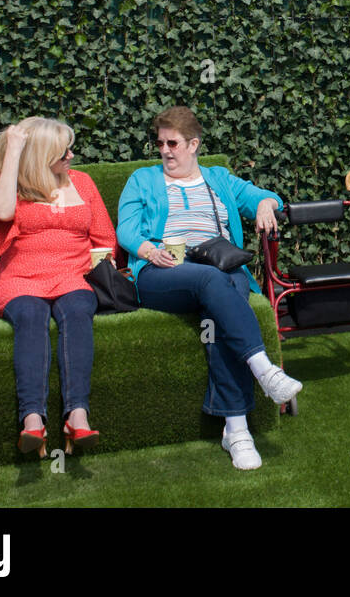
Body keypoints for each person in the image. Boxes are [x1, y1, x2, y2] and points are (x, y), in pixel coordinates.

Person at [117, 106, 301, 470]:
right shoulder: (143, 179)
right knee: (213, 281)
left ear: (194, 144)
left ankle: (236, 429)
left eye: (173, 143)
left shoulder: (218, 178)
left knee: (222, 298)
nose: (165, 150)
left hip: (219, 264)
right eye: (160, 143)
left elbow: (264, 196)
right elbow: (126, 229)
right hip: (162, 270)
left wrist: (266, 203)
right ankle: (264, 369)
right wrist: (149, 251)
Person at [0, 117, 111, 457]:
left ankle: (77, 415)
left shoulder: (82, 182)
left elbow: (104, 238)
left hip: (74, 274)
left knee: (79, 309)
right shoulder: (15, 187)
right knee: (30, 313)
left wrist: (105, 268)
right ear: (40, 156)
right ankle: (32, 421)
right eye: (61, 150)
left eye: (69, 147)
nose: (71, 154)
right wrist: (13, 151)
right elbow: (4, 212)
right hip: (21, 278)